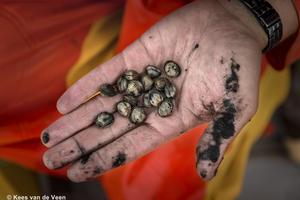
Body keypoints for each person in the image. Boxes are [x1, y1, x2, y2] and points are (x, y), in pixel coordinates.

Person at [0, 0, 299, 199]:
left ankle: (288, 118)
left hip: (180, 40)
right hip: (38, 134)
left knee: (170, 180)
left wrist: (255, 14)